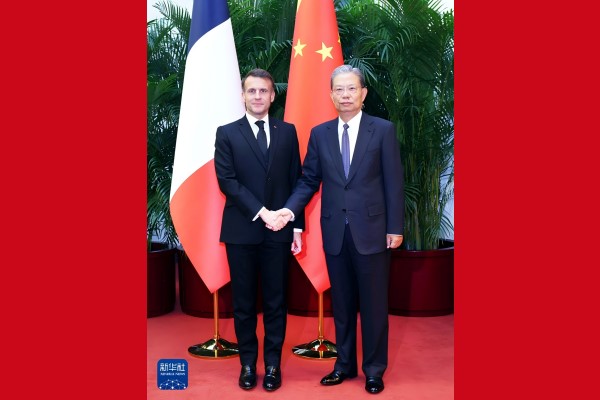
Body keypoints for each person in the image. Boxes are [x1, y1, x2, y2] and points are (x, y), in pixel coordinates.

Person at [269, 64, 404, 395]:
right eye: (339, 90)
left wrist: (395, 227)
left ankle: (374, 370)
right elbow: (308, 180)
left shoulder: (382, 130)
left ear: (363, 93)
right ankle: (344, 365)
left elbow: (393, 181)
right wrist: (289, 209)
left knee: (373, 306)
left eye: (352, 88)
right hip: (335, 232)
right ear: (331, 95)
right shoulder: (320, 134)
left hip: (373, 231)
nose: (346, 95)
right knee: (342, 305)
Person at [214, 68, 303, 392]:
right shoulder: (227, 133)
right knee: (244, 302)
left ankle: (273, 365)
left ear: (272, 95)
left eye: (263, 91)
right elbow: (227, 181)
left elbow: (297, 180)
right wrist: (262, 212)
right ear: (243, 95)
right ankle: (248, 364)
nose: (257, 96)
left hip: (279, 230)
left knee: (277, 301)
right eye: (251, 91)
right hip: (242, 230)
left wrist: (296, 227)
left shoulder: (287, 132)